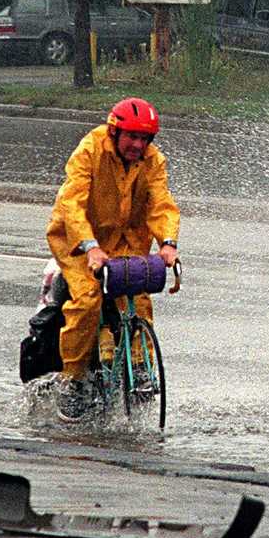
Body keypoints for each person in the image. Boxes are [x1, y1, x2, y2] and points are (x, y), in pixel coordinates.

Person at [46, 97, 180, 417]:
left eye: (144, 138)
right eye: (131, 137)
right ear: (114, 131)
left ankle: (140, 367)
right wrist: (90, 246)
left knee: (139, 297)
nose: (138, 144)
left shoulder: (153, 161)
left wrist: (168, 242)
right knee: (89, 299)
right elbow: (72, 204)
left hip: (127, 240)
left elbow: (161, 204)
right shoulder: (90, 150)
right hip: (78, 241)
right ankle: (73, 379)